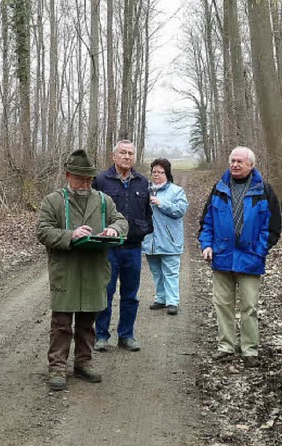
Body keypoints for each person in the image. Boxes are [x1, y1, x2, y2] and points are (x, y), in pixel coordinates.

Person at [37, 149, 128, 391]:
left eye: (88, 179)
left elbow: (121, 220)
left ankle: (83, 363)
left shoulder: (103, 201)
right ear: (68, 176)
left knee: (88, 322)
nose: (85, 184)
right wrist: (70, 235)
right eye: (80, 179)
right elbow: (43, 231)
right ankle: (57, 367)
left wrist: (114, 230)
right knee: (62, 323)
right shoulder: (53, 201)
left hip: (94, 270)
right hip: (65, 270)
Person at [198, 146, 281, 367]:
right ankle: (226, 347)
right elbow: (206, 222)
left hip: (250, 257)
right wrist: (206, 245)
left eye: (240, 162)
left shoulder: (264, 190)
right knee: (222, 305)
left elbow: (273, 227)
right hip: (222, 257)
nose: (235, 165)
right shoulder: (219, 188)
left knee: (249, 307)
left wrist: (259, 249)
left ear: (251, 165)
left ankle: (250, 350)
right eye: (232, 161)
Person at [93, 140, 152, 352]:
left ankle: (126, 335)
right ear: (114, 156)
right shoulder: (101, 180)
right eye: (123, 153)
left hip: (133, 249)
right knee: (105, 293)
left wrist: (144, 230)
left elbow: (147, 212)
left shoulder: (142, 181)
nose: (127, 157)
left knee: (130, 295)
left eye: (130, 153)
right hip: (108, 248)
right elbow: (92, 210)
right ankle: (101, 335)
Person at [143, 158, 189, 315]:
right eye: (154, 172)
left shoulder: (176, 191)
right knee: (156, 271)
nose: (156, 175)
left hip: (170, 240)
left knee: (170, 272)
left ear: (167, 173)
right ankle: (160, 298)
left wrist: (161, 203)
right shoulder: (145, 190)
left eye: (160, 172)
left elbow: (180, 210)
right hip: (150, 240)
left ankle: (172, 301)